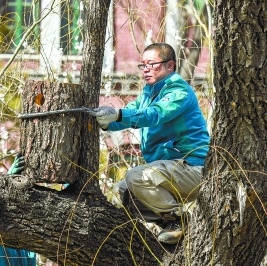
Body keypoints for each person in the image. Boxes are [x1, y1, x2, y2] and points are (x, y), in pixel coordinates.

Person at [89, 42, 210, 244]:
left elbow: (154, 115)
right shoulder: (149, 93)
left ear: (170, 65)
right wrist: (103, 122)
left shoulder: (179, 91)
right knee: (124, 189)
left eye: (152, 64)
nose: (145, 69)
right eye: (143, 65)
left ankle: (179, 219)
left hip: (193, 170)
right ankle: (170, 226)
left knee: (137, 176)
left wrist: (117, 114)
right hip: (171, 172)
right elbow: (129, 115)